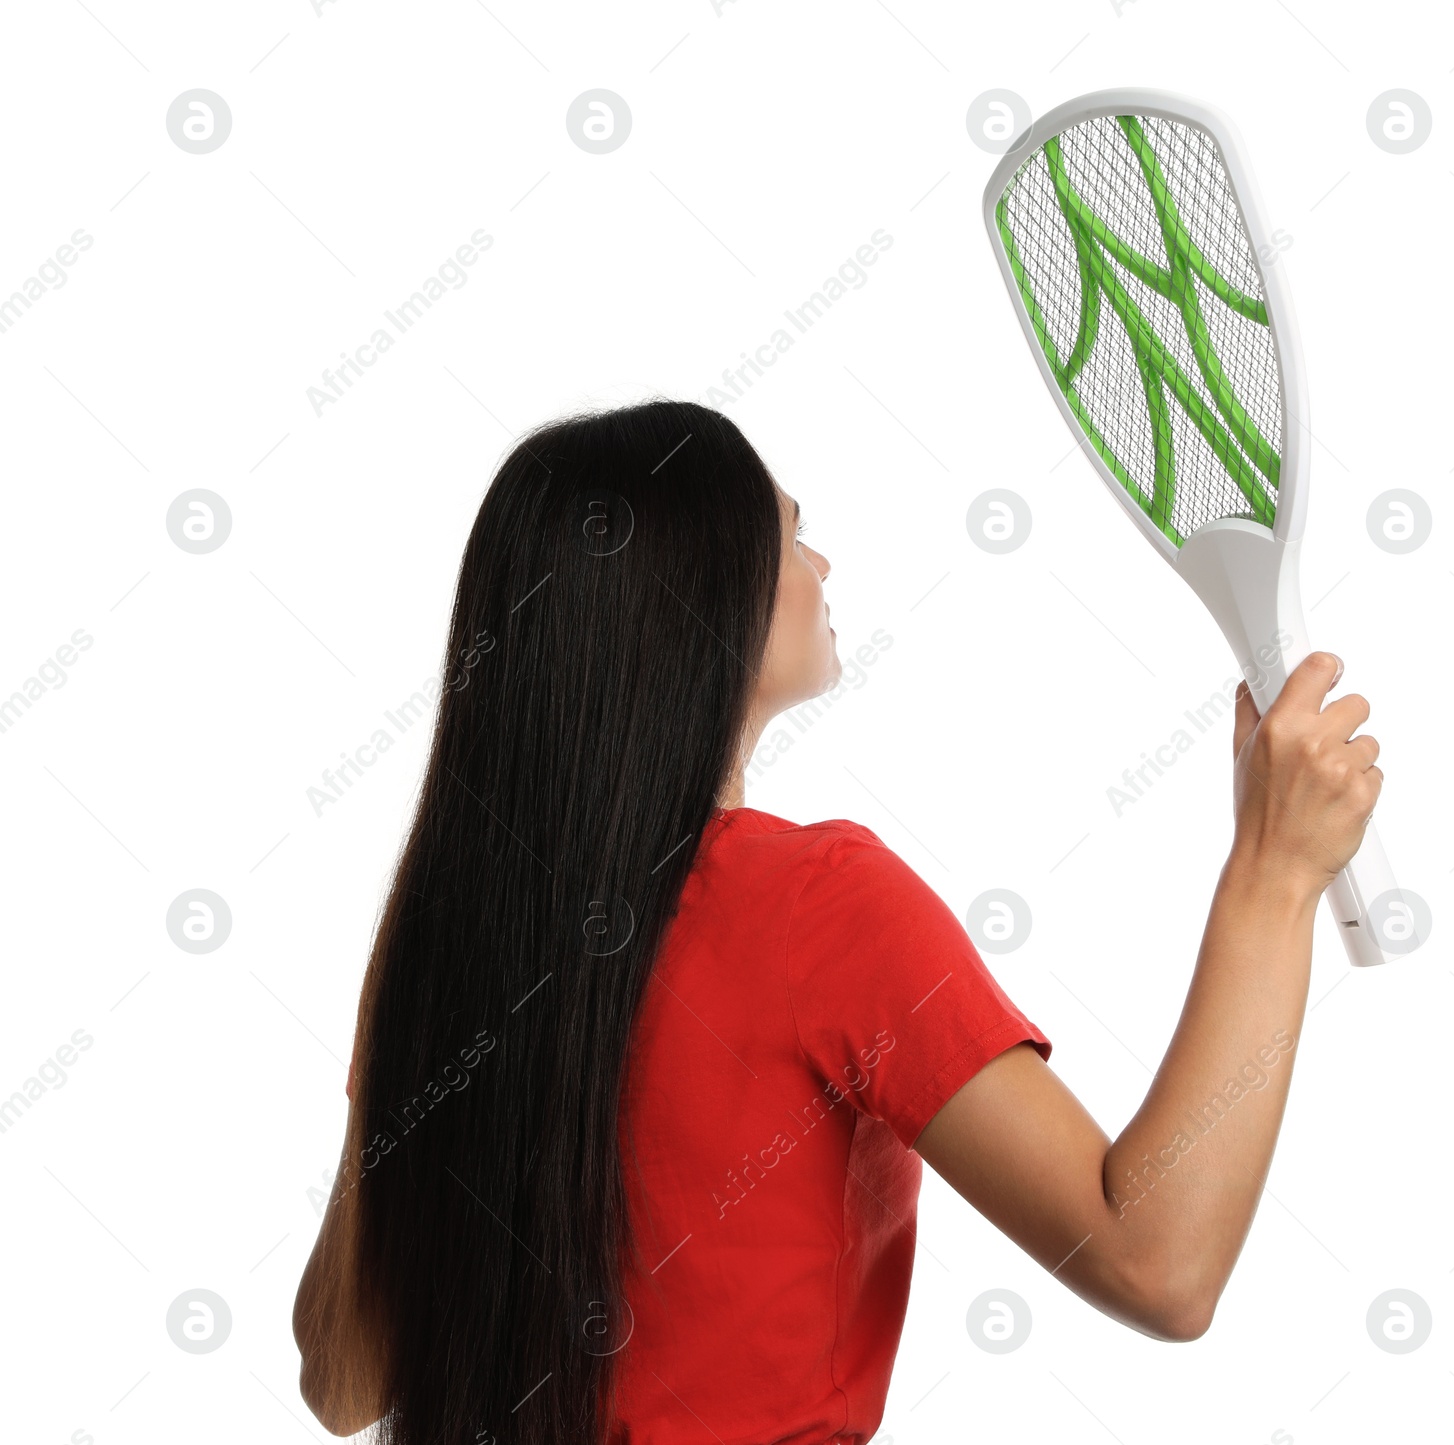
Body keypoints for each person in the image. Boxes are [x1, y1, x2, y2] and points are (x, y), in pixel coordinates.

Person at [292, 398, 1382, 1444]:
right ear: (702, 598)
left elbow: (343, 1375)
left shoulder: (447, 933)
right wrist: (1273, 872)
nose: (822, 569)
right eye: (794, 535)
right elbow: (1157, 1261)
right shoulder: (820, 904)